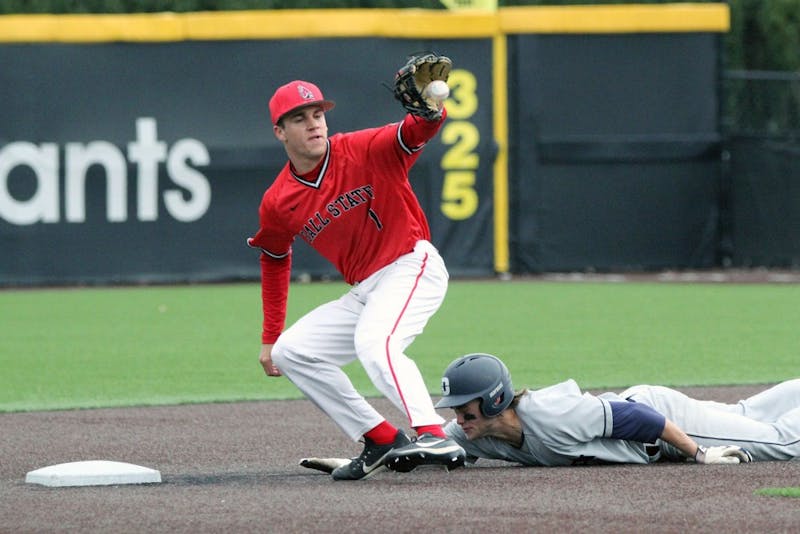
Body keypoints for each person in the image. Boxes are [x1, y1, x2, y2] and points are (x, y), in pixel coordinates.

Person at [247, 54, 466, 481]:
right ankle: (382, 437)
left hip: (411, 263)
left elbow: (414, 131)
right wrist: (270, 337)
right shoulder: (278, 201)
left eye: (317, 113)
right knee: (294, 352)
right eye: (299, 118)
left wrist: (431, 111)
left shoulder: (363, 149)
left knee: (375, 342)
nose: (313, 123)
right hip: (366, 288)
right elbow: (274, 257)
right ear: (279, 131)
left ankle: (433, 433)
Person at [421, 353, 800, 468]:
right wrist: (395, 453)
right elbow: (433, 443)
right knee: (746, 413)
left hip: (661, 421)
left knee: (784, 442)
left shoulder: (552, 415)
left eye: (465, 410)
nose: (458, 420)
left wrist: (699, 454)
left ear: (493, 401)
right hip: (642, 415)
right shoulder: (476, 433)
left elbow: (642, 420)